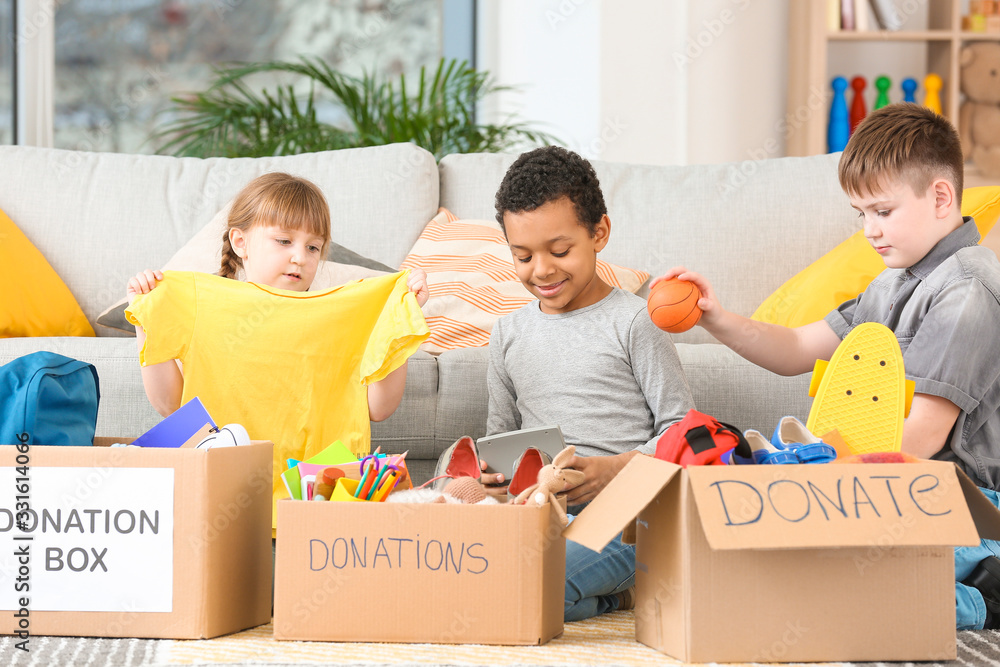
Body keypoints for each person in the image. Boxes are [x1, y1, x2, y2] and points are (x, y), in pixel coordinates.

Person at [654, 103, 1000, 630]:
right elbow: (795, 347)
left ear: (940, 197)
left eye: (882, 212)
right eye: (860, 215)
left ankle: (981, 593)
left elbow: (920, 439)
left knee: (816, 578)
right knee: (764, 557)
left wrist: (817, 483)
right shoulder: (891, 282)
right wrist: (714, 317)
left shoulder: (967, 290)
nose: (869, 231)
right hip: (890, 488)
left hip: (959, 503)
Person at [126, 172, 430, 532]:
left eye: (313, 247)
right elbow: (170, 405)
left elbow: (378, 408)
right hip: (223, 505)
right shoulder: (200, 303)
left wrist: (398, 323)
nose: (300, 257)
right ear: (240, 242)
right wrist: (146, 318)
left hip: (313, 508)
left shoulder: (348, 314)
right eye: (284, 241)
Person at [482, 146, 695, 621]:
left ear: (599, 232)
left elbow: (683, 432)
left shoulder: (636, 322)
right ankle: (617, 598)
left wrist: (613, 468)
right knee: (475, 577)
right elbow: (498, 438)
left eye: (560, 251)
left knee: (528, 585)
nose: (542, 270)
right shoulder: (508, 333)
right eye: (523, 256)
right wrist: (491, 478)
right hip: (538, 507)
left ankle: (615, 583)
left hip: (627, 513)